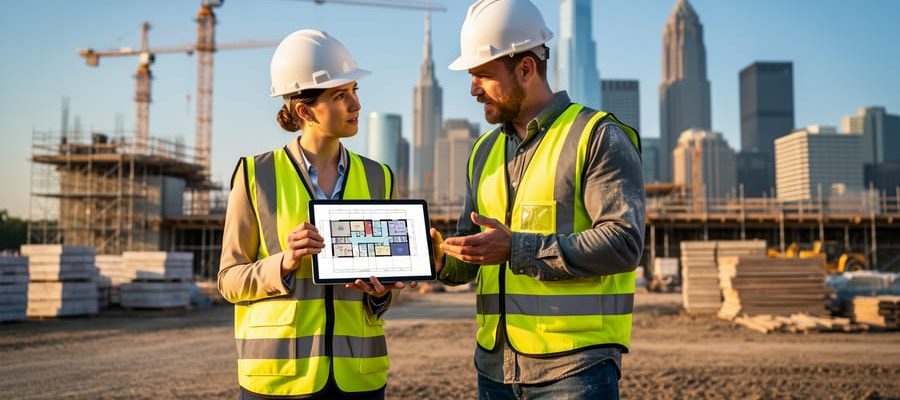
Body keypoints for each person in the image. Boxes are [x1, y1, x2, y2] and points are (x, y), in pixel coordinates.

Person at [430, 0, 646, 399]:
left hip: (575, 369)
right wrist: (440, 257)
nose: (473, 89)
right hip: (495, 367)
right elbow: (477, 256)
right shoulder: (482, 152)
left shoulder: (596, 136)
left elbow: (624, 243)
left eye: (483, 76)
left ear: (526, 68)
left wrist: (517, 248)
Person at [218, 29, 411, 400]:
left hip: (358, 376)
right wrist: (284, 263)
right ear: (305, 111)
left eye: (355, 90)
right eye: (341, 95)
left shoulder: (379, 177)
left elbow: (387, 284)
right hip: (279, 379)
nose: (356, 104)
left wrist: (382, 292)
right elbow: (229, 280)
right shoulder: (256, 175)